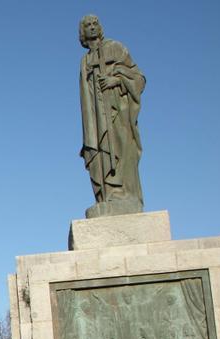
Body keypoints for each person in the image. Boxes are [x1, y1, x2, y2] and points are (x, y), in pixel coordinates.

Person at [78, 14, 146, 218]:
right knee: (99, 153)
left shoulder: (116, 48)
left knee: (123, 149)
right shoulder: (85, 60)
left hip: (118, 113)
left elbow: (138, 78)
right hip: (97, 119)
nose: (91, 28)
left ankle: (126, 196)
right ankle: (107, 196)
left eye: (94, 24)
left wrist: (116, 80)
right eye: (87, 25)